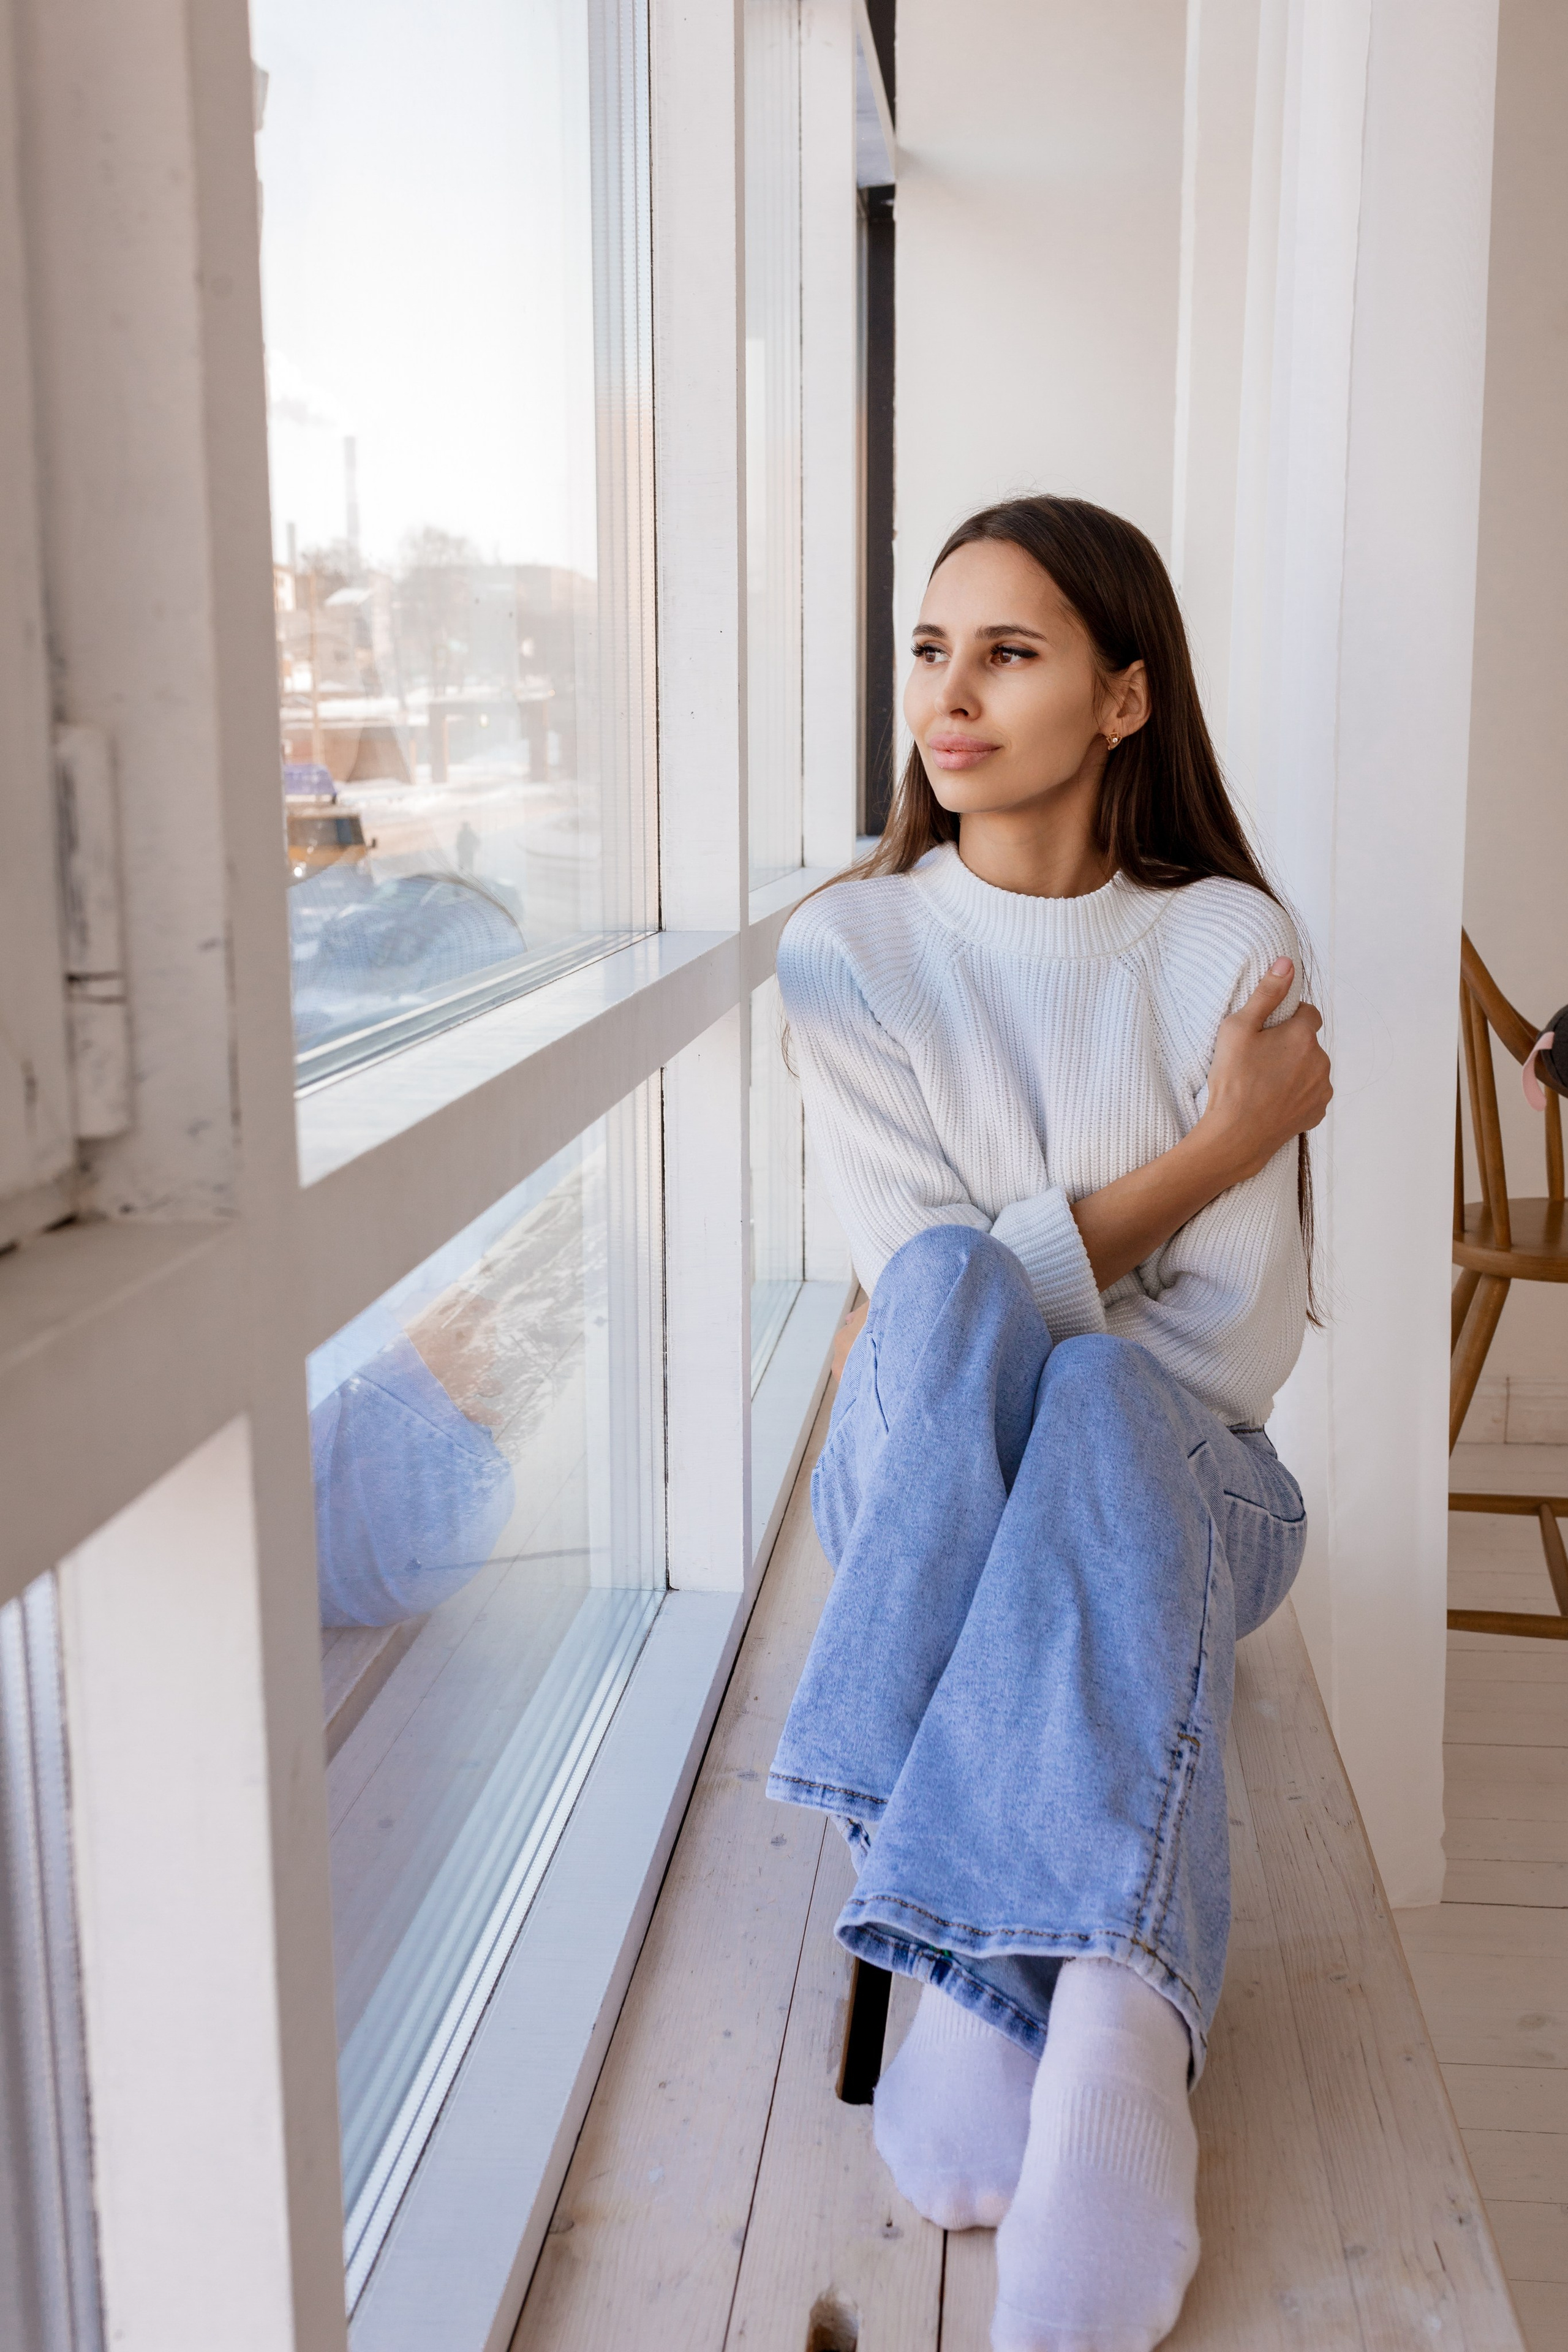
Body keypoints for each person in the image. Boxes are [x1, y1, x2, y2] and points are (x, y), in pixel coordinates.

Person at [767, 496, 1332, 2352]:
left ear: (1122, 702)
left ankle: (1045, 2010)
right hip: (941, 1479)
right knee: (937, 1304)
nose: (953, 694)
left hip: (1187, 1496)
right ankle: (1073, 1994)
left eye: (1011, 652)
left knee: (1093, 1374)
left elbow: (1225, 1352)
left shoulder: (1224, 943)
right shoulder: (852, 949)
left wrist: (1064, 1278)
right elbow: (935, 1327)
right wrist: (1220, 1150)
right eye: (932, 649)